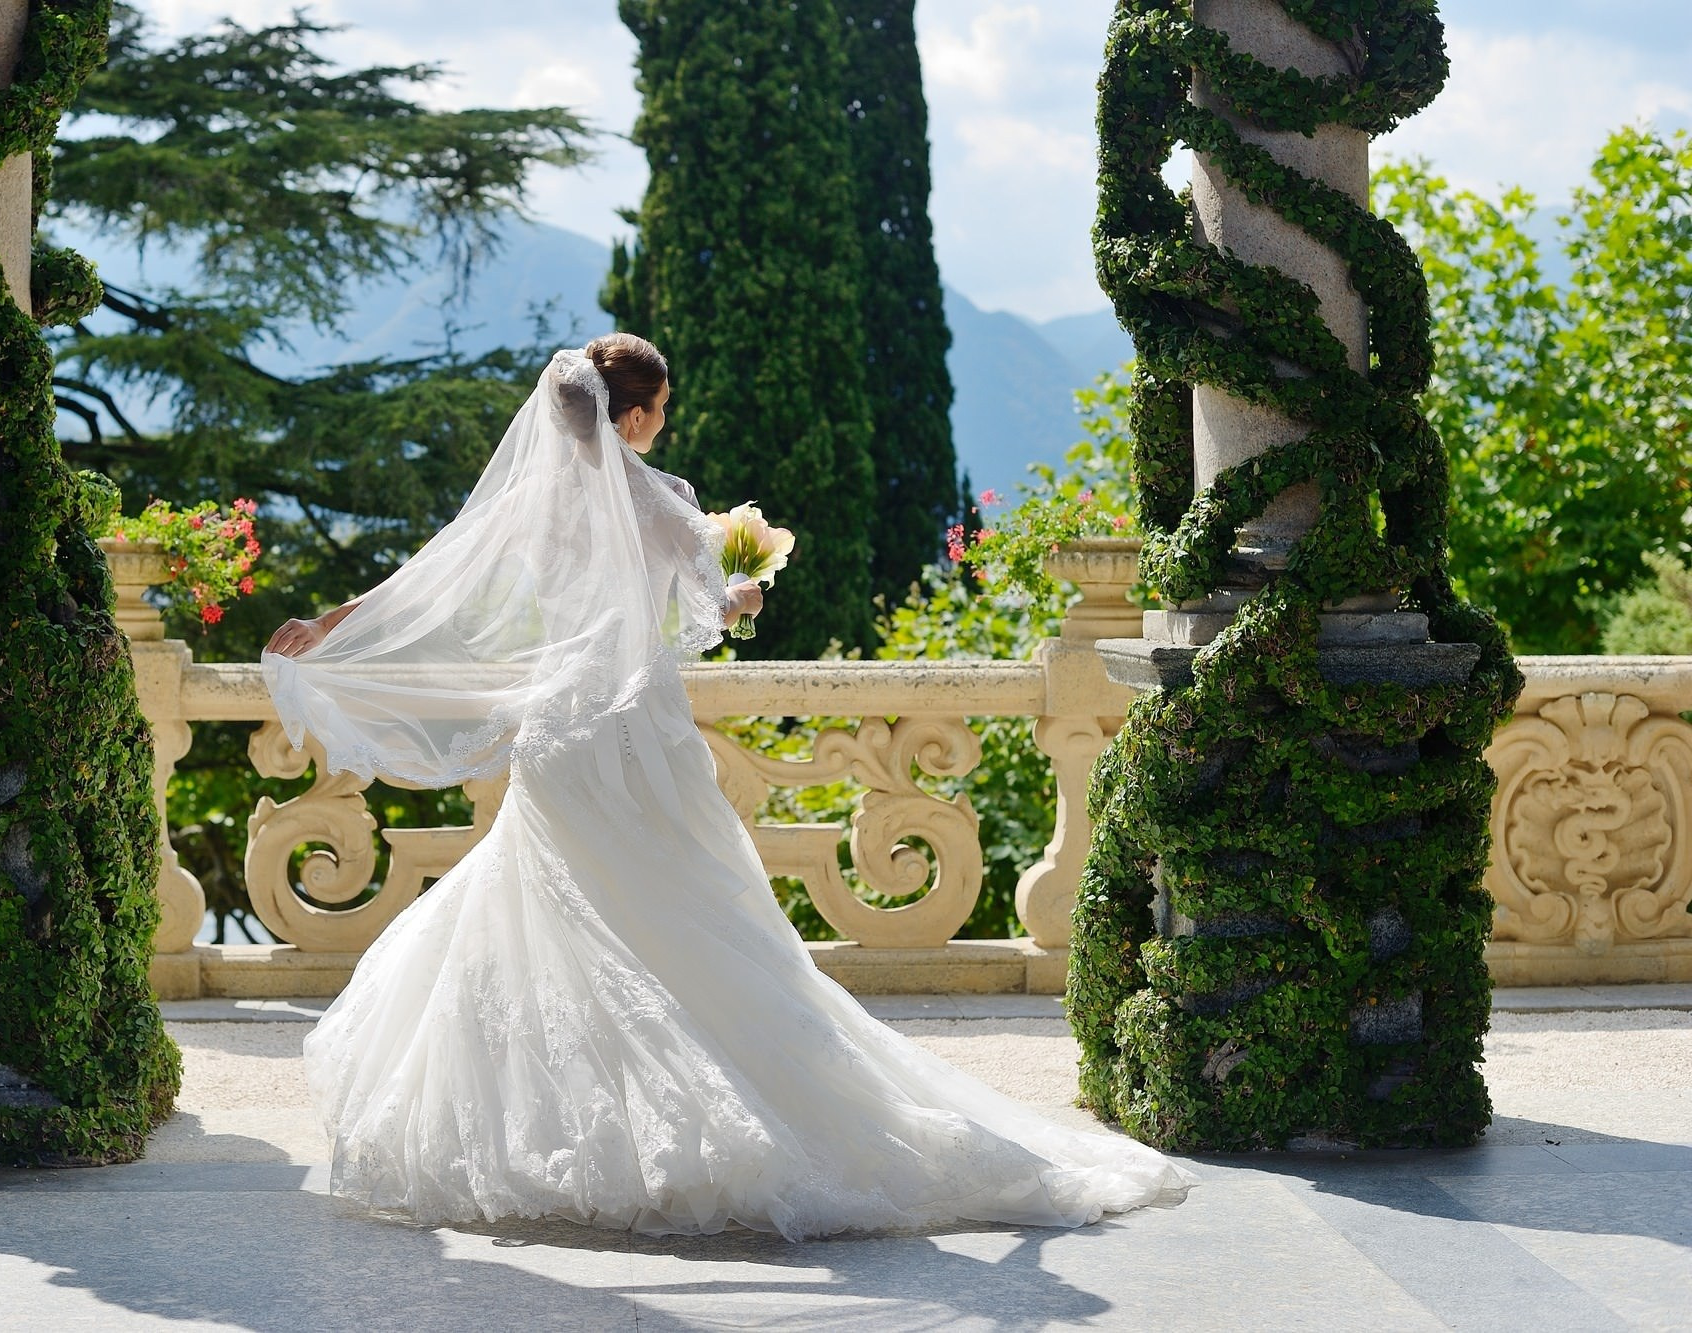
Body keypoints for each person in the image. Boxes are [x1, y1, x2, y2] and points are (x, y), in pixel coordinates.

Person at [263, 334, 1193, 1238]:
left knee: (555, 912)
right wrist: (745, 589)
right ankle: (702, 1120)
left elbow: (431, 580)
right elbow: (715, 598)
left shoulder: (532, 507)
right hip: (632, 731)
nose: (663, 425)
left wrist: (329, 626)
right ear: (628, 417)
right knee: (692, 911)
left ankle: (562, 1133)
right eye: (659, 410)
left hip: (557, 737)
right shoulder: (660, 502)